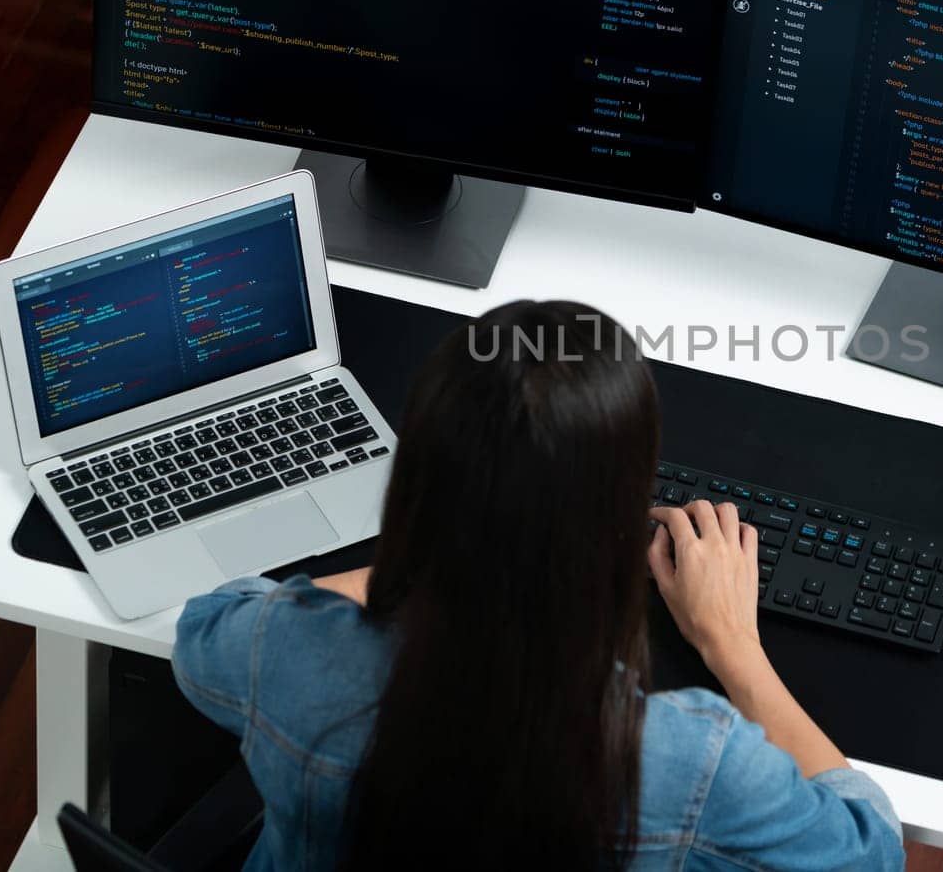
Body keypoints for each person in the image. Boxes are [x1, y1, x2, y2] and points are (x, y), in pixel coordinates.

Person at [172, 300, 904, 870]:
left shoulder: (286, 650)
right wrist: (732, 643)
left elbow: (205, 627)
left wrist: (428, 553)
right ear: (613, 520)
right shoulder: (691, 763)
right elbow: (869, 849)